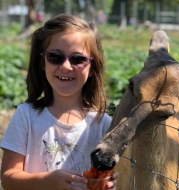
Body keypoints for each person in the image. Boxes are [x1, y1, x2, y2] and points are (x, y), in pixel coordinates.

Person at [0, 13, 118, 190]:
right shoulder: (26, 117)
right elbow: (8, 179)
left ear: (93, 68)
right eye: (55, 56)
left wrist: (107, 182)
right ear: (42, 62)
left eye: (78, 59)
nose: (66, 66)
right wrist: (47, 181)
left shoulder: (102, 125)